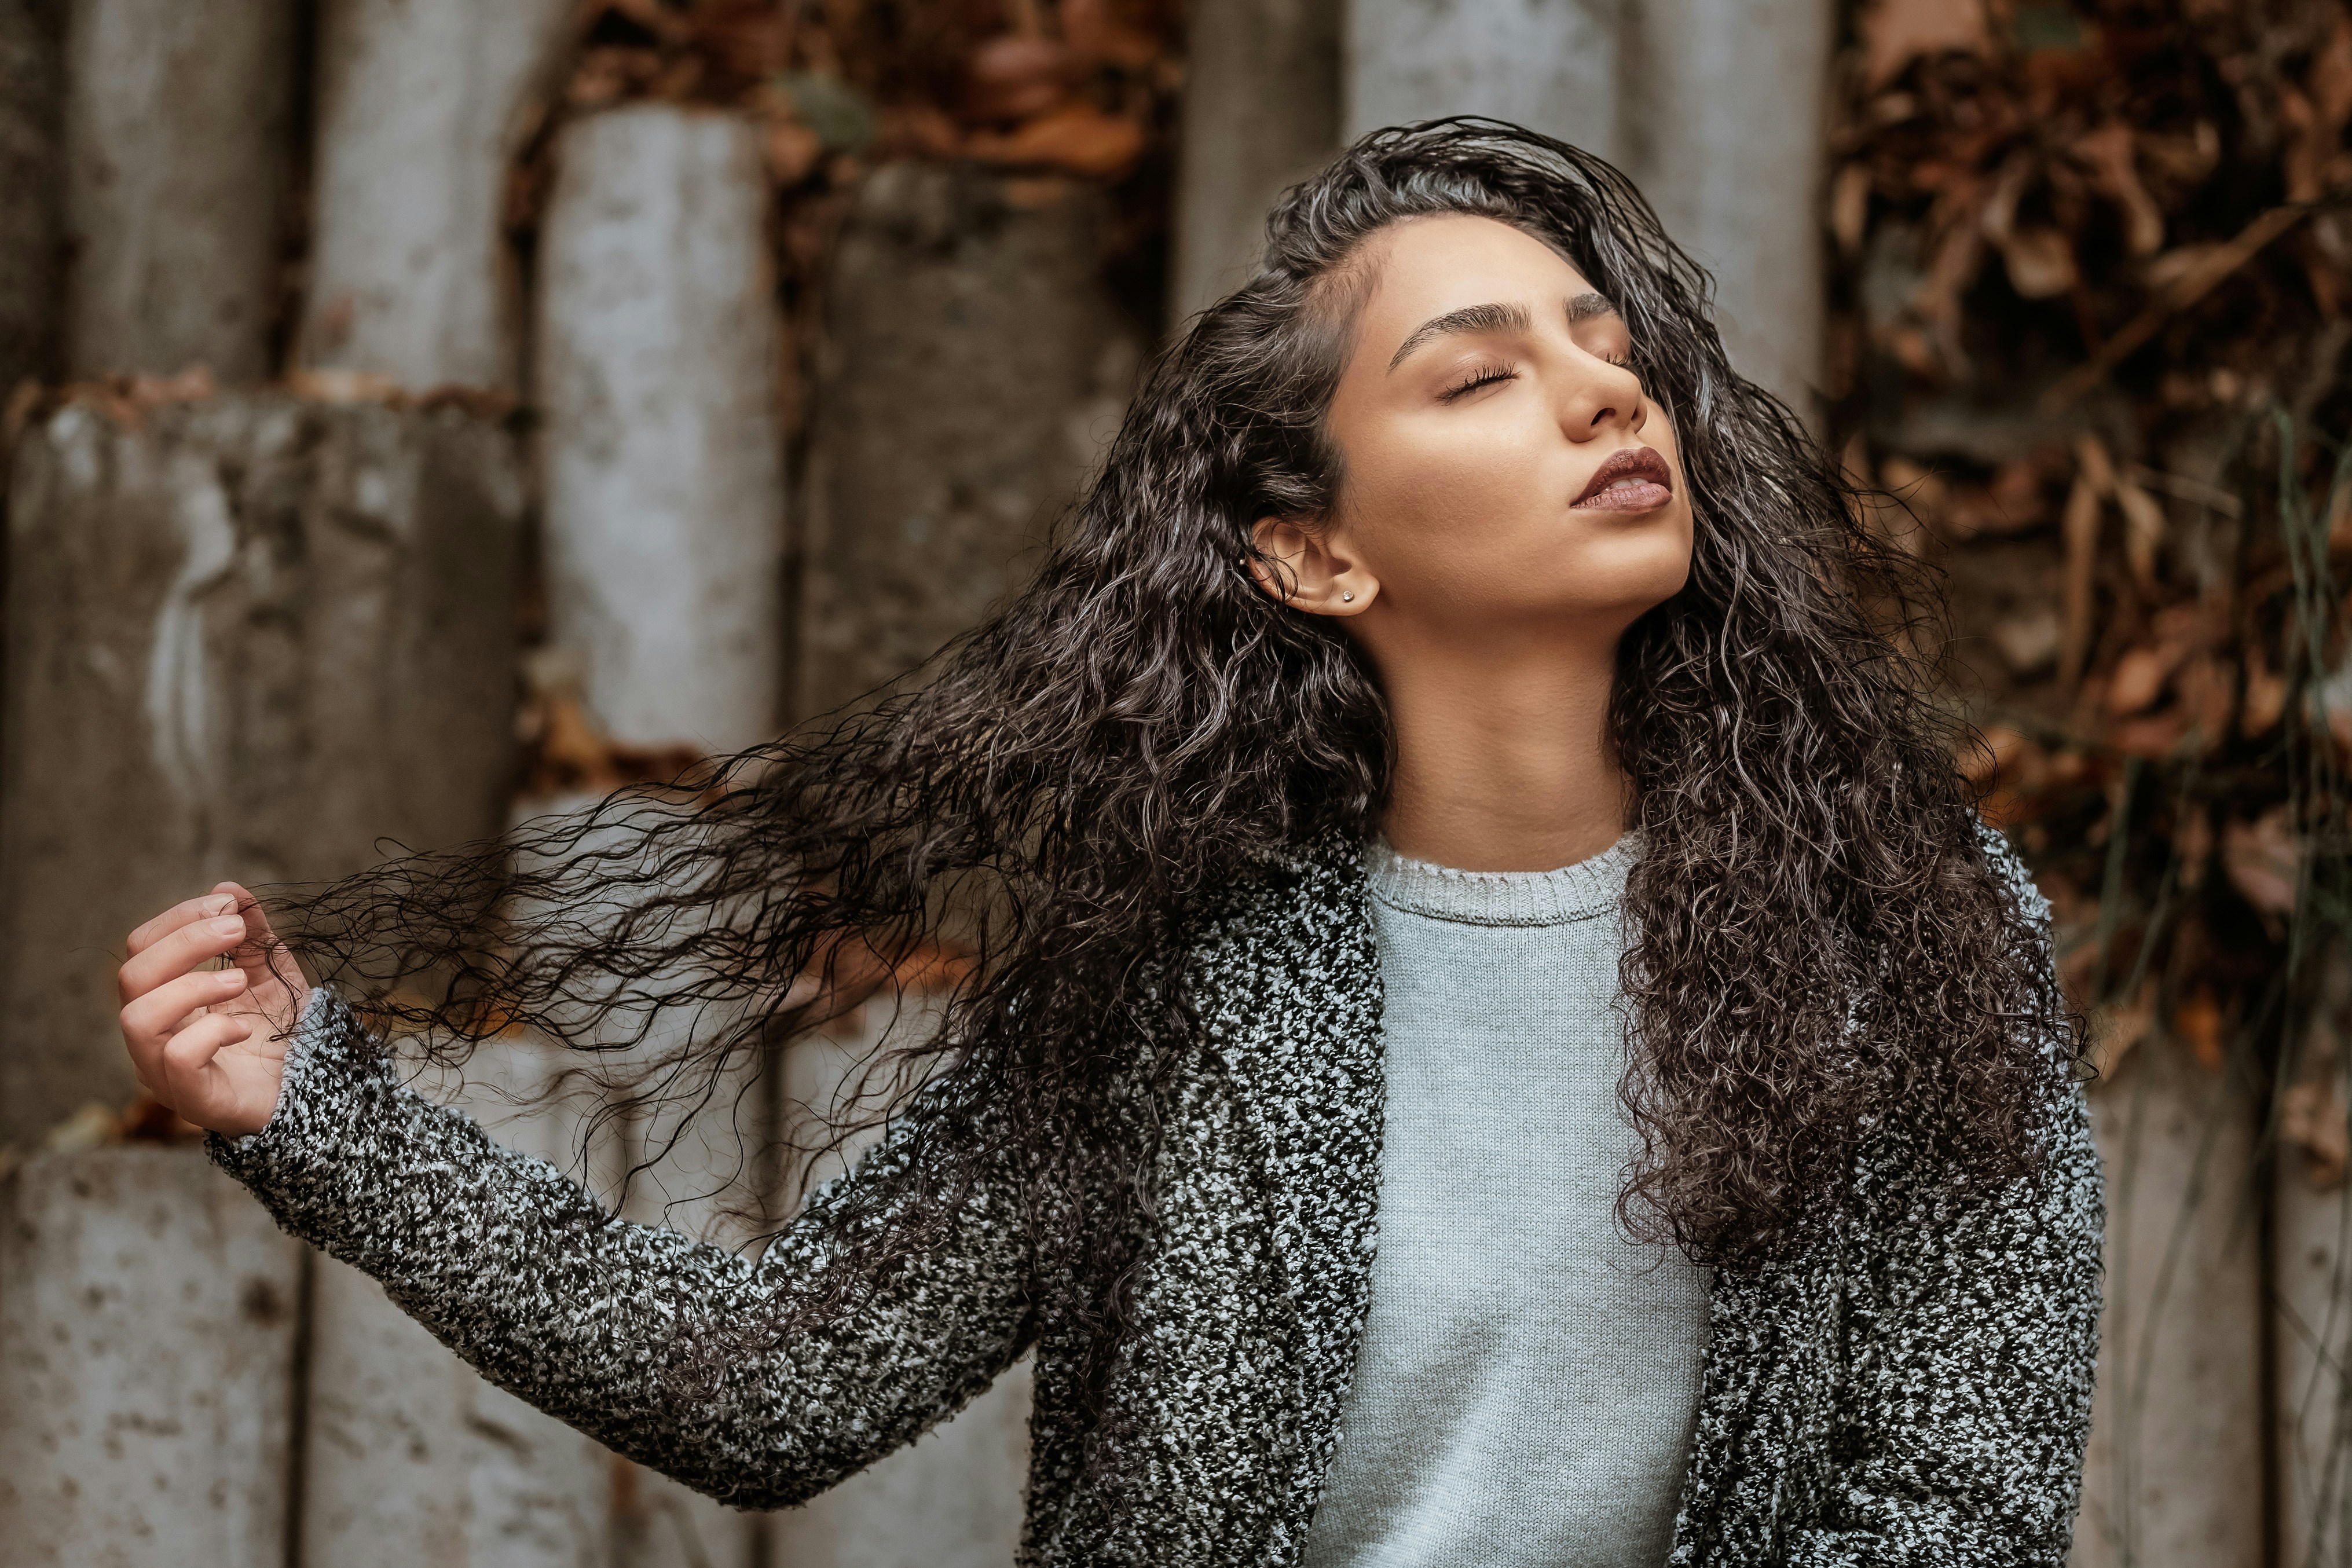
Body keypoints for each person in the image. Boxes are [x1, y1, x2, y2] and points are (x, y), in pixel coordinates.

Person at [113, 119, 2101, 1566]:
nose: (1602, 395)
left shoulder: (1919, 929)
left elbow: (1957, 1501)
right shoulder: (1172, 980)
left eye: (1610, 351)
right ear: (1313, 551)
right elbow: (777, 1381)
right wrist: (328, 1119)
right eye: (1485, 373)